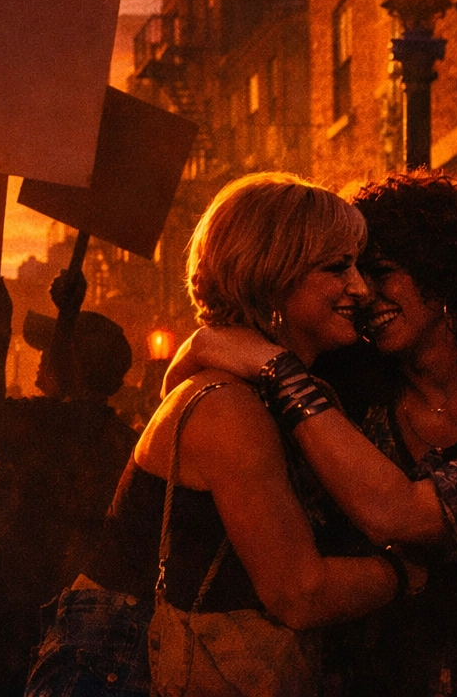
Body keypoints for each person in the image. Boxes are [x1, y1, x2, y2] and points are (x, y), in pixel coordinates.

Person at [173, 171, 457, 695]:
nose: (363, 292)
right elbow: (194, 367)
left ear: (442, 270)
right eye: (346, 270)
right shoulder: (351, 373)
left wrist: (277, 369)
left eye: (382, 271)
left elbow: (402, 516)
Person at [26, 172, 420, 697]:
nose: (360, 288)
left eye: (359, 266)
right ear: (270, 273)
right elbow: (298, 593)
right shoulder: (228, 407)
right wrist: (406, 572)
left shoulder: (253, 387)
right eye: (336, 267)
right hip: (125, 675)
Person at [0, 271, 136, 697]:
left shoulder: (51, 429)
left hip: (20, 628)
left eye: (49, 351)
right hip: (87, 630)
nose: (39, 363)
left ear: (72, 364)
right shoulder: (127, 443)